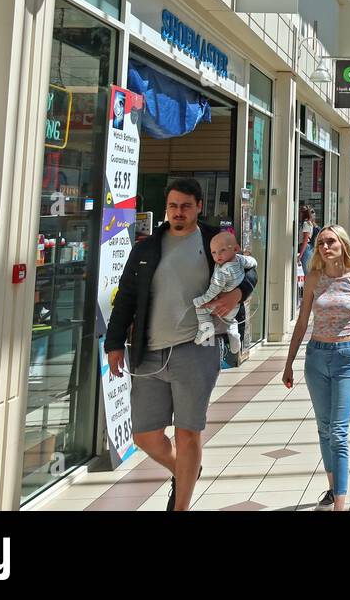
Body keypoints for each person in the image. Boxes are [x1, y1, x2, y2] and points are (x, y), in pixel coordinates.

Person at [104, 178, 254, 510]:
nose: (178, 212)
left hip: (195, 350)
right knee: (145, 436)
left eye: (186, 206)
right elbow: (126, 297)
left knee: (188, 432)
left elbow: (248, 273)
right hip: (150, 353)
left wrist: (237, 293)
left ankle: (181, 505)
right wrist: (114, 342)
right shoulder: (146, 248)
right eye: (173, 206)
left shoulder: (214, 241)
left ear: (199, 207)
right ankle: (186, 470)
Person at [282, 226, 350, 511]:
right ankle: (331, 487)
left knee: (339, 432)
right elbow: (302, 323)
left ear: (343, 244)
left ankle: (340, 503)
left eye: (330, 242)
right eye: (320, 243)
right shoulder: (314, 279)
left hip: (346, 357)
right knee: (324, 428)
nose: (325, 247)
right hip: (316, 357)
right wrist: (289, 362)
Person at [193, 231, 255, 355]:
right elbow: (252, 263)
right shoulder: (239, 259)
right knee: (231, 320)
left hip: (221, 307)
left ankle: (206, 329)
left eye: (222, 251)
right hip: (231, 309)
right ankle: (233, 334)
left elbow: (213, 290)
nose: (217, 256)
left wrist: (202, 300)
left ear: (236, 248)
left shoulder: (222, 271)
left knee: (201, 309)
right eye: (214, 253)